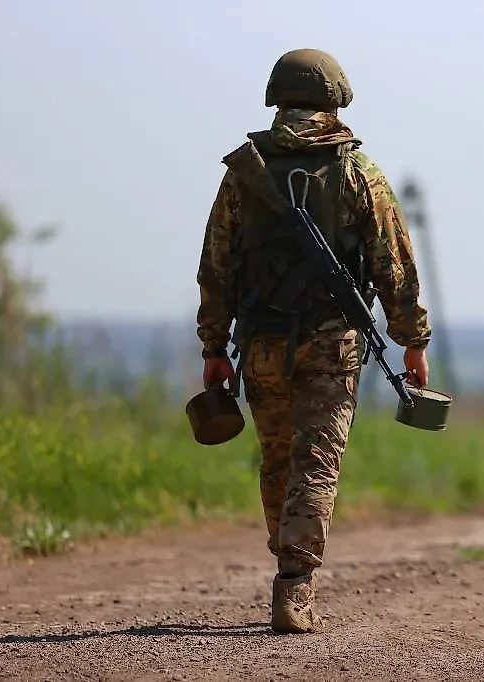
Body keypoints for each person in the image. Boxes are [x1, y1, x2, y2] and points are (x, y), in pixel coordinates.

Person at [195, 48, 432, 632]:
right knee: (315, 463)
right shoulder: (357, 172)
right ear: (335, 98)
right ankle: (295, 584)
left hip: (259, 344)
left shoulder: (244, 173)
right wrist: (413, 340)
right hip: (332, 342)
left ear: (278, 97)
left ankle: (286, 557)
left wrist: (212, 348)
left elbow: (216, 267)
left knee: (277, 457)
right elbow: (393, 264)